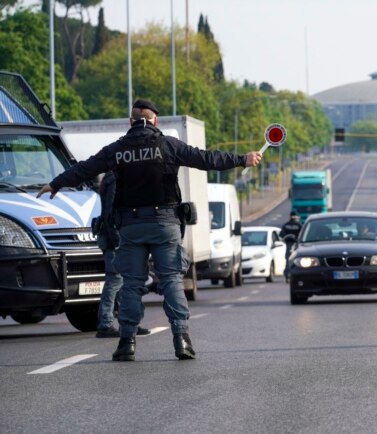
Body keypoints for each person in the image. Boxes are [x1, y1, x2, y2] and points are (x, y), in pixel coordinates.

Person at [37, 99, 262, 361]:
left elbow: (85, 168)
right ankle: (182, 341)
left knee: (131, 284)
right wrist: (241, 160)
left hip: (131, 227)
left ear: (131, 122)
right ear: (155, 121)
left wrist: (55, 184)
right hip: (165, 224)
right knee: (171, 280)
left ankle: (126, 343)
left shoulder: (117, 149)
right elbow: (207, 159)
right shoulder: (168, 146)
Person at [94, 171, 150, 338]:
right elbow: (111, 212)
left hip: (114, 236)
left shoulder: (112, 178)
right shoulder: (115, 179)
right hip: (115, 238)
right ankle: (105, 323)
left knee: (124, 281)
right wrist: (117, 239)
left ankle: (130, 322)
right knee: (116, 280)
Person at [279, 210, 302, 283]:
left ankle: (288, 276)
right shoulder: (299, 225)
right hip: (297, 246)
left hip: (288, 245)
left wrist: (286, 238)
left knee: (288, 261)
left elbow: (281, 235)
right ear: (297, 217)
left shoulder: (286, 225)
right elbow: (302, 236)